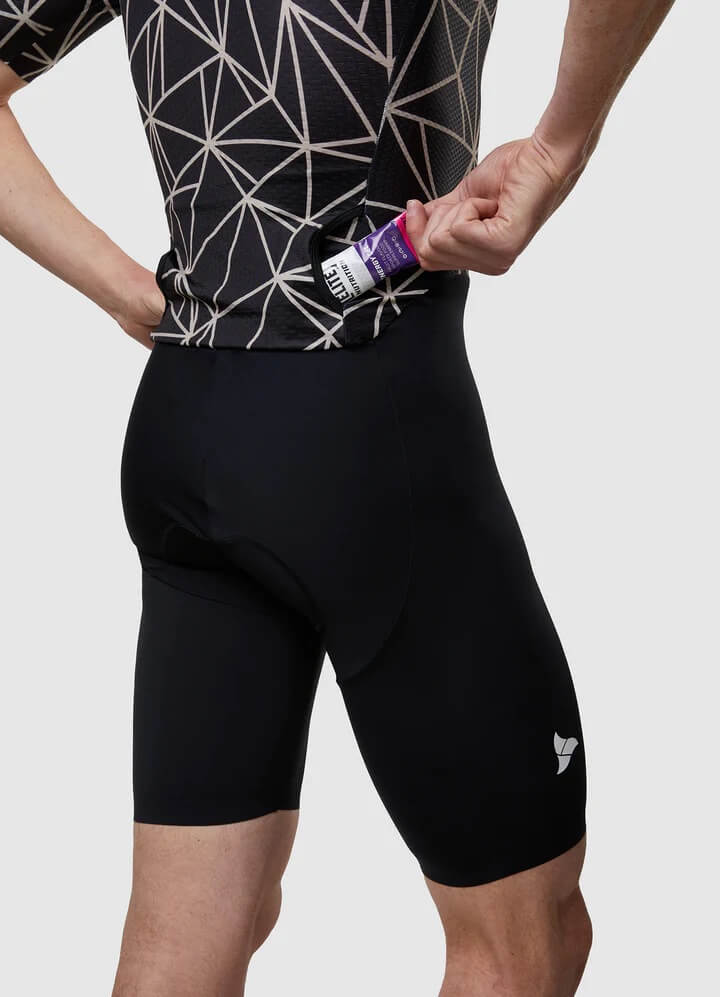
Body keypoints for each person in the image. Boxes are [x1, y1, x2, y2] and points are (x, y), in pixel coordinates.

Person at [0, 1, 674, 994]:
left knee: (189, 940)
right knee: (524, 938)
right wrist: (557, 149)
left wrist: (125, 289)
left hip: (187, 421)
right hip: (364, 423)